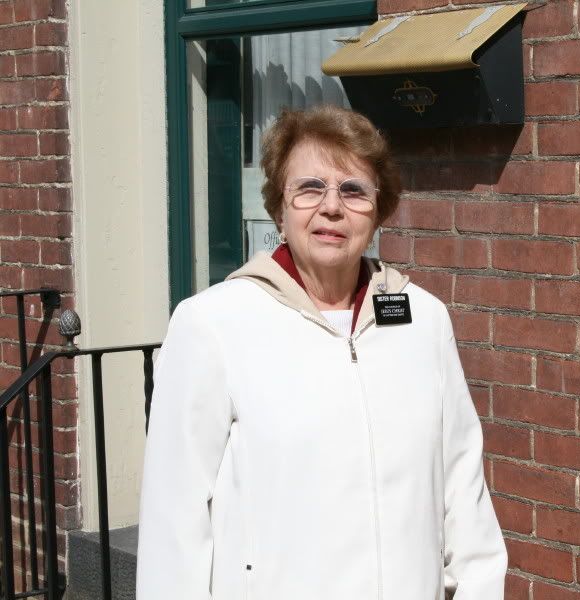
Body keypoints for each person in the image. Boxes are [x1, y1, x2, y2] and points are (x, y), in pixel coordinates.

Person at [135, 105, 507, 599]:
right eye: (310, 188)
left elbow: (465, 495)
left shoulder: (424, 321)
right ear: (278, 209)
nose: (332, 206)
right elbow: (173, 525)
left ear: (378, 211)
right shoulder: (212, 325)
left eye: (353, 190)